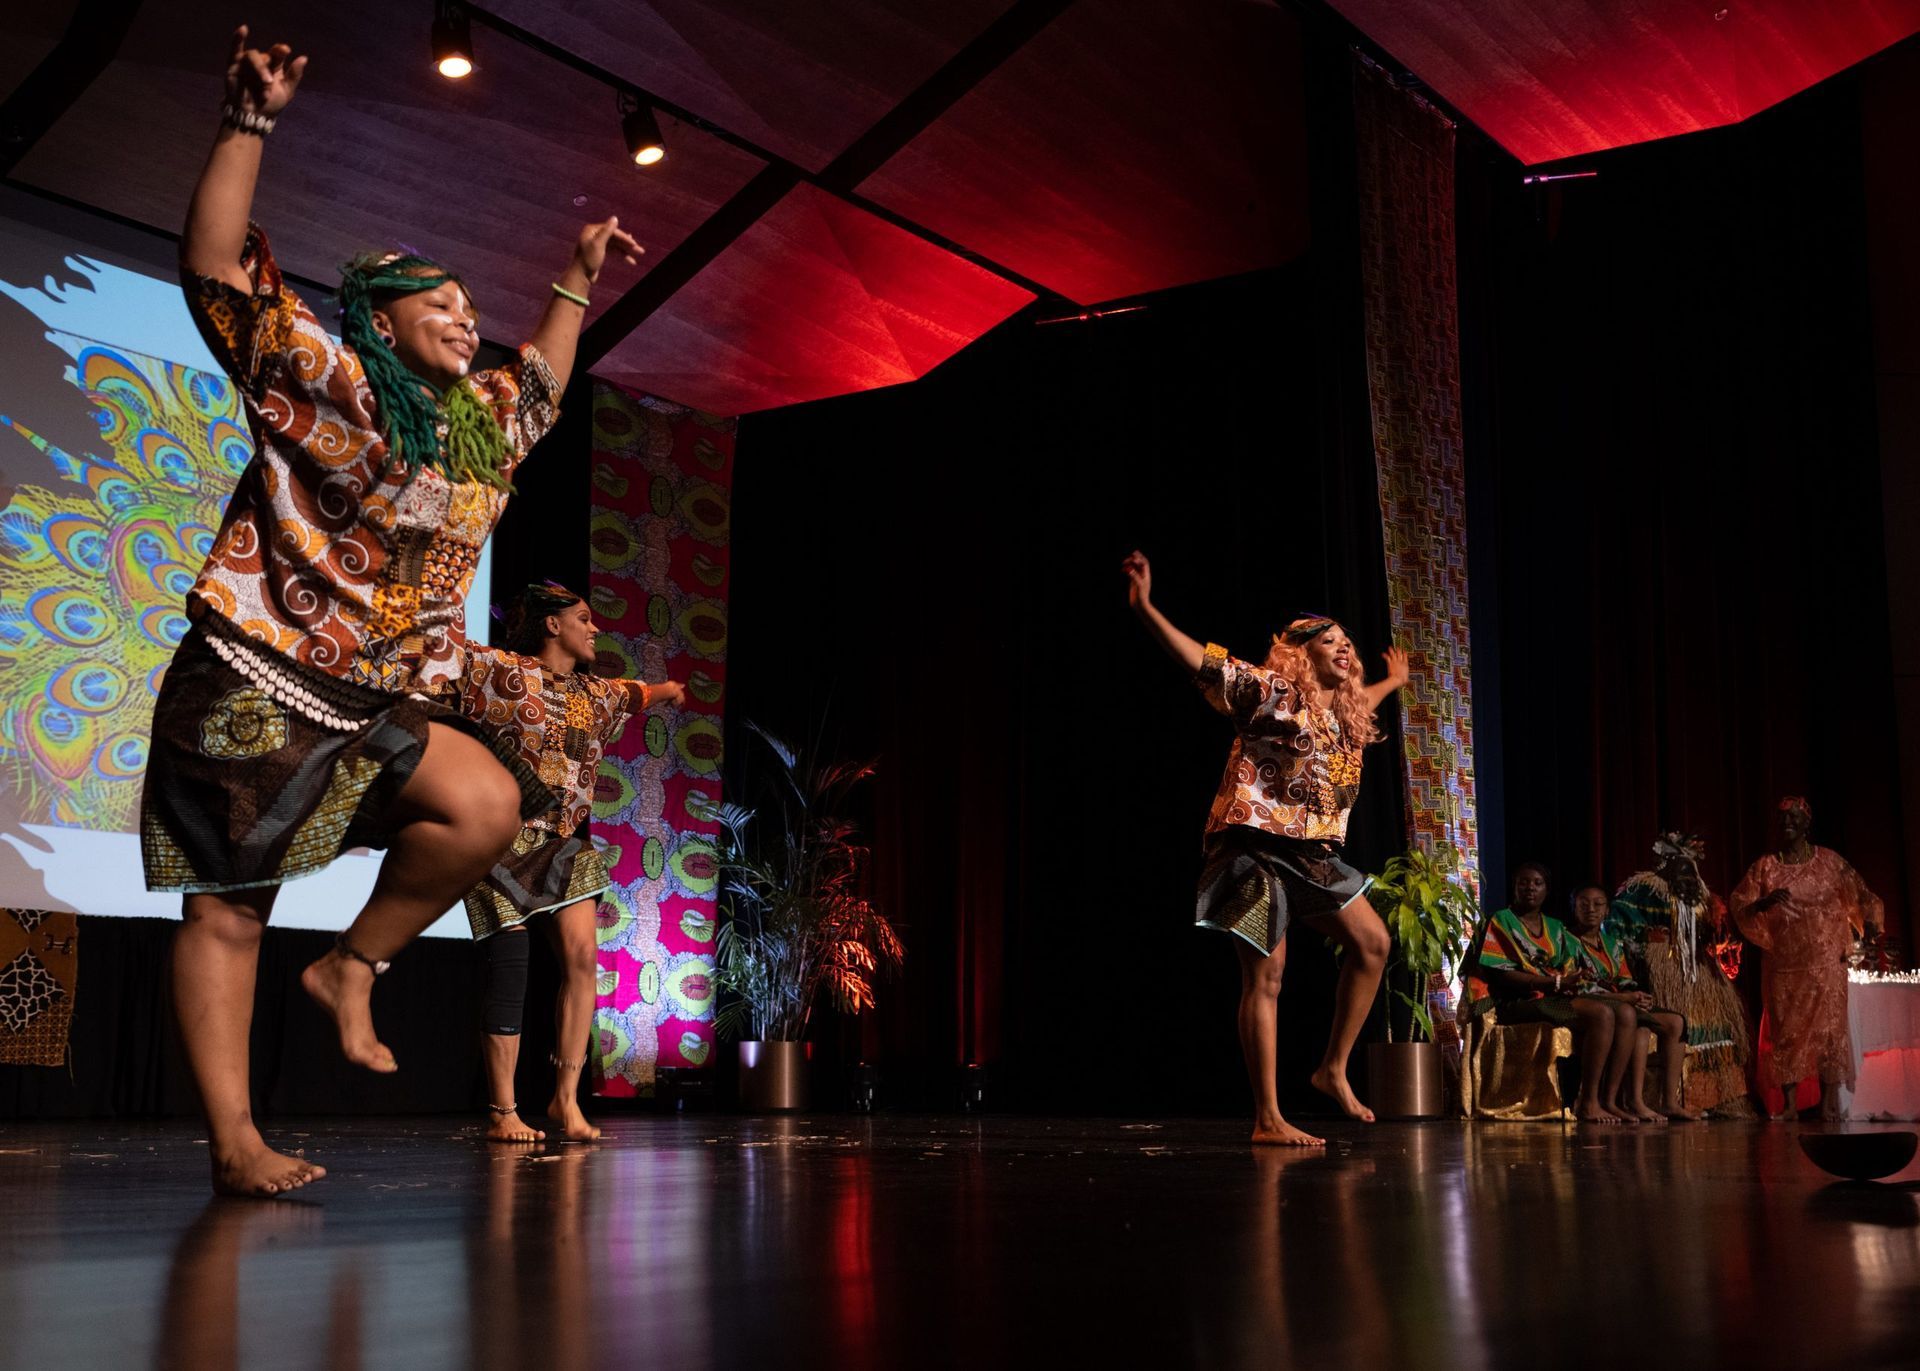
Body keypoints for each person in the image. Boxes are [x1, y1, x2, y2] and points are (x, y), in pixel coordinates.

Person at [138, 30, 643, 1196]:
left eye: (473, 306)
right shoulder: (337, 380)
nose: (469, 318)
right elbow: (218, 273)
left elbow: (552, 382)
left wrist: (575, 277)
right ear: (384, 320)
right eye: (443, 306)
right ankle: (235, 1142)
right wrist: (247, 123)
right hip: (262, 672)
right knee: (232, 911)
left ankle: (351, 968)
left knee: (485, 800)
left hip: (373, 695)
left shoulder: (480, 427)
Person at [1123, 549, 1406, 1146]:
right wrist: (1147, 608)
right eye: (1330, 641)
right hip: (1252, 846)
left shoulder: (1344, 721)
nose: (1345, 647)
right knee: (1268, 976)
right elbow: (1203, 661)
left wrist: (1394, 681)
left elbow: (1365, 701)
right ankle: (1268, 1118)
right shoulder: (1273, 692)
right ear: (1302, 652)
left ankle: (1331, 1069)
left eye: (1347, 641)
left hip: (1311, 855)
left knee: (1374, 943)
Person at [448, 583, 683, 1143]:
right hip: (496, 839)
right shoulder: (497, 670)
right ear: (553, 625)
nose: (595, 628)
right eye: (583, 618)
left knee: (583, 960)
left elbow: (639, 694)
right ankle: (503, 1111)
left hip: (560, 841)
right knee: (513, 963)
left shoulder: (598, 694)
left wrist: (669, 690)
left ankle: (565, 1101)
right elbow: (443, 656)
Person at [1731, 796, 1884, 1120]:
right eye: (1782, 818)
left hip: (1827, 962)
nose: (1787, 823)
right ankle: (1789, 1106)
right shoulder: (1766, 866)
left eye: (1794, 818)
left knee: (1830, 1032)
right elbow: (1741, 904)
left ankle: (1829, 1103)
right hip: (1785, 964)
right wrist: (1764, 903)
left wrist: (1869, 927)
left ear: (1806, 823)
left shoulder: (1829, 861)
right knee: (1787, 1032)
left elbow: (1861, 894)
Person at [1463, 864, 1637, 1124]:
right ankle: (1587, 1101)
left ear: (1546, 890)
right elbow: (1500, 974)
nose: (1530, 888)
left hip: (1553, 996)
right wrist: (1549, 983)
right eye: (1524, 882)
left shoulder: (1555, 927)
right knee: (1601, 1014)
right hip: (1517, 1000)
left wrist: (1569, 981)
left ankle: (1608, 1100)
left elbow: (1568, 967)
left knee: (1622, 1011)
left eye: (1537, 883)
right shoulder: (1501, 920)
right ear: (1515, 886)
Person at [1608, 835, 1753, 1117]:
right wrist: (1643, 951)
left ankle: (1711, 1100)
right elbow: (1616, 930)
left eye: (1690, 868)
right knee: (1676, 1022)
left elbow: (1720, 936)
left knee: (1712, 1029)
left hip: (1700, 971)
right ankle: (1664, 1098)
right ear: (1664, 865)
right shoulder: (1641, 890)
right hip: (1660, 969)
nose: (1686, 873)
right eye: (1679, 866)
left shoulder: (1703, 897)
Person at [1566, 884, 1701, 1122]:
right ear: (1574, 908)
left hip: (1619, 1000)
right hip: (1589, 1002)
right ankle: (1617, 1100)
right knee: (1634, 1019)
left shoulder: (1610, 943)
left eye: (1598, 904)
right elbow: (1577, 986)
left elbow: (1624, 979)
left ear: (1607, 910)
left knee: (1675, 1022)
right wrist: (1624, 998)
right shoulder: (1565, 940)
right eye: (1584, 904)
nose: (1591, 909)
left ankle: (1668, 1101)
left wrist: (1638, 996)